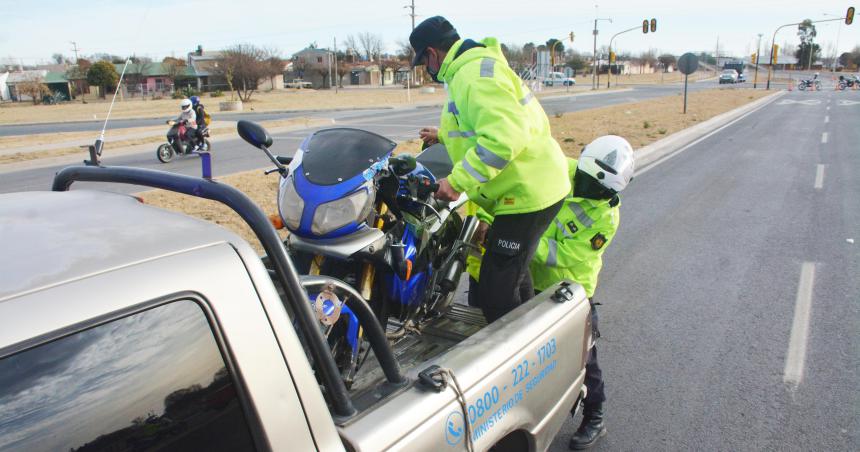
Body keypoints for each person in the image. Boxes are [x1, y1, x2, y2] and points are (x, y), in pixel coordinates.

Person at [411, 16, 570, 323]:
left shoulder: (472, 75)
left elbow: (504, 137)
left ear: (432, 53)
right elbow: (479, 125)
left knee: (495, 294)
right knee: (511, 274)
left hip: (529, 193)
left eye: (423, 61)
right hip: (526, 189)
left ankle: (522, 363)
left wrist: (457, 182)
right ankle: (529, 335)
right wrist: (442, 135)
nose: (426, 69)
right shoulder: (468, 70)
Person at [529, 135, 635, 450]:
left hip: (572, 291)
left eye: (601, 191)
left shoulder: (605, 216)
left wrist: (521, 242)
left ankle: (595, 416)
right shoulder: (560, 169)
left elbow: (566, 256)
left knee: (583, 358)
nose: (591, 192)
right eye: (588, 183)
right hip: (532, 281)